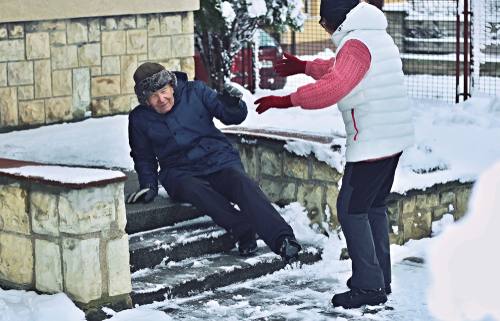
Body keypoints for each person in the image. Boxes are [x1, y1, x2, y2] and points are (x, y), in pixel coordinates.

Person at [254, 0, 415, 309]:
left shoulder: (355, 43)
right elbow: (343, 69)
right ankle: (379, 278)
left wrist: (285, 100)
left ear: (337, 19)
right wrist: (304, 67)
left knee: (352, 208)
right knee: (372, 207)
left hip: (373, 142)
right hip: (391, 139)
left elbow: (336, 85)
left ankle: (369, 287)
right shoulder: (374, 34)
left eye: (323, 21)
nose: (323, 28)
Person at [125, 62, 302, 265]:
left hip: (217, 158)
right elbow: (143, 156)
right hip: (179, 172)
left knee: (242, 183)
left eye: (164, 91)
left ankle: (283, 239)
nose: (161, 99)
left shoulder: (197, 91)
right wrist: (148, 184)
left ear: (171, 85)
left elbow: (230, 117)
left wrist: (232, 105)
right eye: (153, 96)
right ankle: (244, 229)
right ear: (145, 100)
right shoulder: (139, 119)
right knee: (194, 190)